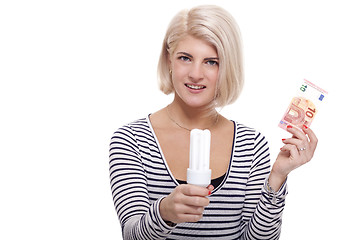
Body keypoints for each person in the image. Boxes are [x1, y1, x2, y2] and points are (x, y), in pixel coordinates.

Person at [109, 5, 318, 240]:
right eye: (185, 58)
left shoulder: (251, 145)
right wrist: (164, 212)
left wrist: (277, 178)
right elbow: (131, 235)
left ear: (227, 67)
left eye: (211, 62)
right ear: (169, 60)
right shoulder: (131, 140)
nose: (196, 74)